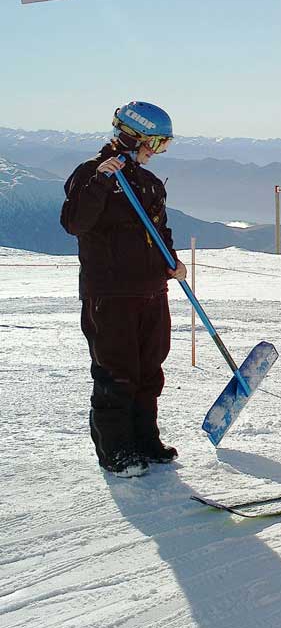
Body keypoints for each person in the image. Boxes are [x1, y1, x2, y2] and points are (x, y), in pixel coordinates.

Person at [60, 101, 182, 478]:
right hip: (110, 294)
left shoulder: (147, 182)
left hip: (151, 290)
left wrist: (171, 261)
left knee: (149, 369)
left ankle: (145, 440)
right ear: (134, 136)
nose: (157, 152)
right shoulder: (91, 175)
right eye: (156, 144)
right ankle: (116, 450)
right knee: (117, 371)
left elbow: (157, 231)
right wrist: (101, 181)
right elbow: (74, 223)